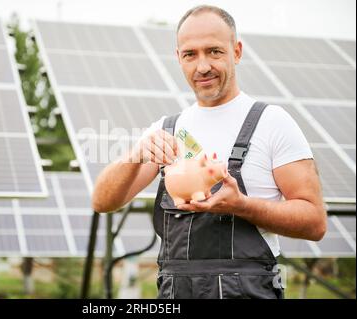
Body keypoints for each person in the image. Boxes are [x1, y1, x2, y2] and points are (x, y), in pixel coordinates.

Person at [91, 5, 327, 299]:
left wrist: (241, 205)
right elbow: (102, 202)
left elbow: (315, 221)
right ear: (179, 58)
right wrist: (137, 152)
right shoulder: (166, 130)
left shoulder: (273, 123)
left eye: (214, 51)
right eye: (190, 54)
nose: (202, 66)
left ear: (237, 52)